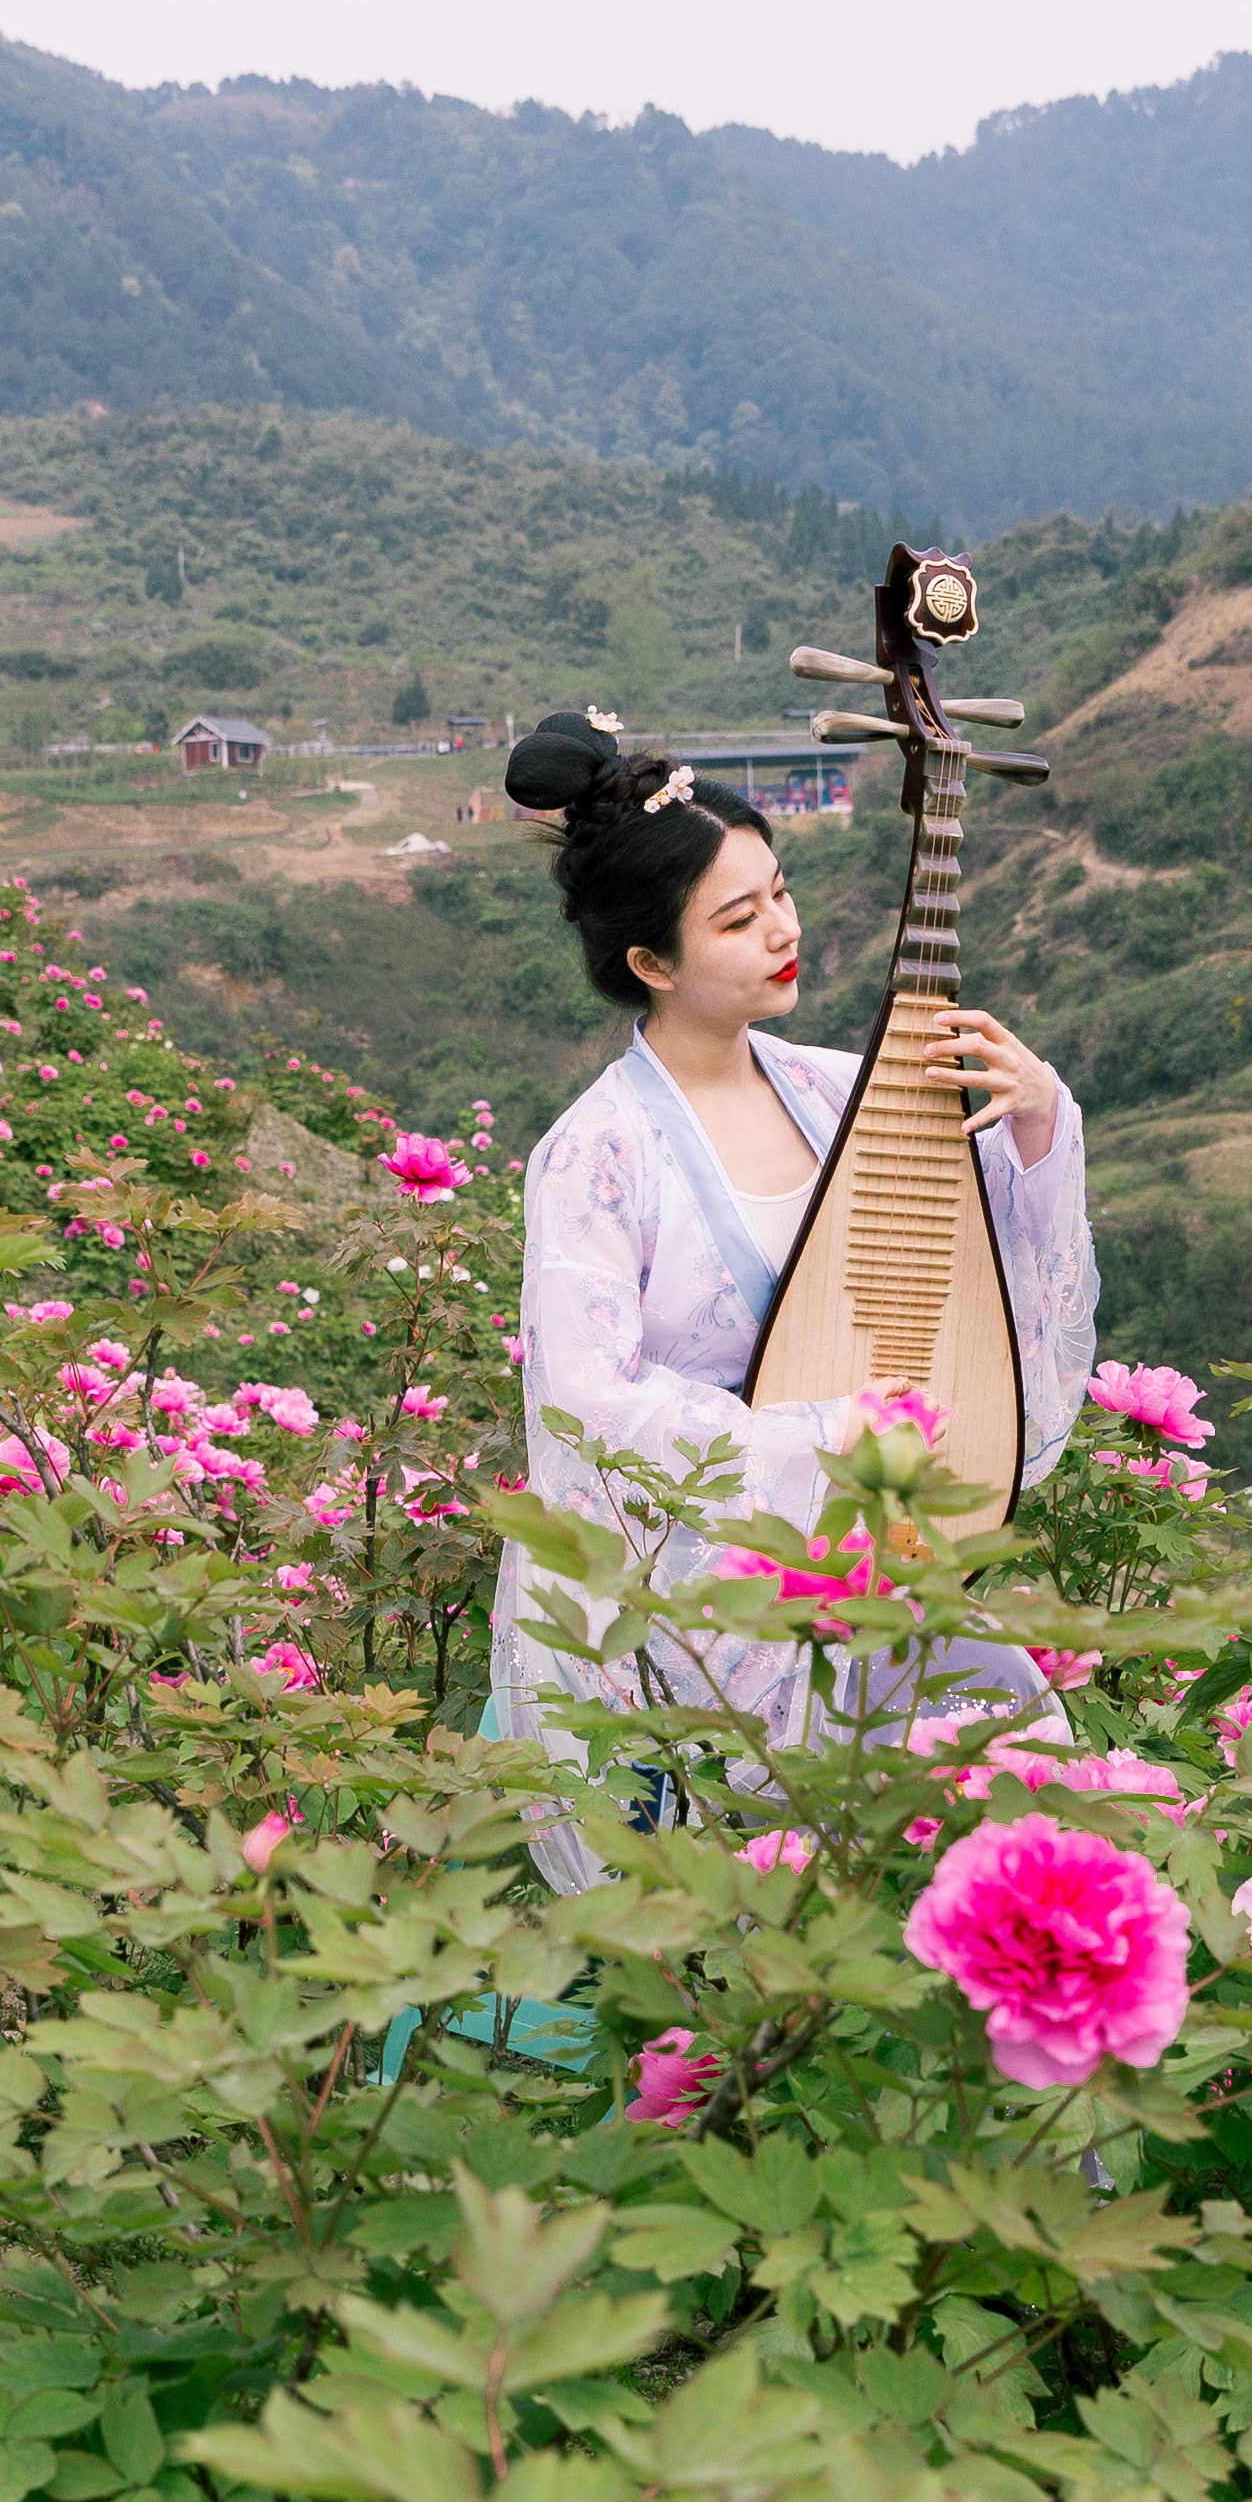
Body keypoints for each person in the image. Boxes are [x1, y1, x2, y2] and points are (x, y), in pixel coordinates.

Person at [486, 707, 1094, 1885]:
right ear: (650, 964)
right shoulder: (596, 1153)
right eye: (737, 917)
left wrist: (1033, 1116)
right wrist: (819, 1438)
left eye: (781, 893)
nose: (783, 931)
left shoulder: (843, 1092)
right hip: (697, 1591)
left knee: (993, 1817)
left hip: (875, 1555)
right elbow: (583, 1405)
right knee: (764, 1899)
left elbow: (984, 1265)